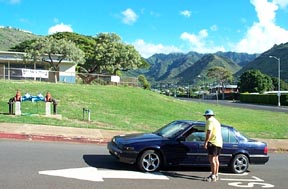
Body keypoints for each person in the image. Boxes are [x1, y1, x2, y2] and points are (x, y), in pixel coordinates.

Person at [203, 109, 223, 182]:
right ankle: (216, 174)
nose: (205, 117)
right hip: (219, 142)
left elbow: (209, 131)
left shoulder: (210, 121)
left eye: (205, 116)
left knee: (212, 159)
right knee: (216, 159)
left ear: (207, 116)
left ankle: (213, 175)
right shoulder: (216, 121)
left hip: (213, 142)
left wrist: (206, 142)